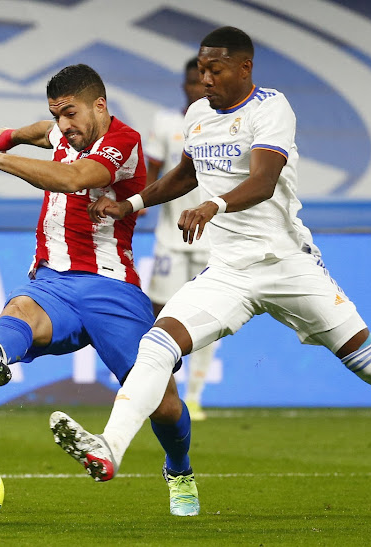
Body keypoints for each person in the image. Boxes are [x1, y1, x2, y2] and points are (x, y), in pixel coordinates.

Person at [49, 28, 371, 499]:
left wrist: (213, 207)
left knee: (370, 363)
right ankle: (110, 448)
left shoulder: (272, 108)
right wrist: (132, 204)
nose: (204, 79)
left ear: (244, 68)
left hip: (287, 265)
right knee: (158, 344)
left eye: (215, 70)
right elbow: (185, 175)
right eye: (201, 69)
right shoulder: (199, 115)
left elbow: (264, 180)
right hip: (228, 272)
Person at [0, 64, 199, 517]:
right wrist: (11, 135)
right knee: (21, 307)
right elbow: (43, 132)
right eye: (58, 116)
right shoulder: (66, 133)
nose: (63, 127)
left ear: (100, 106)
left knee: (164, 404)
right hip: (55, 281)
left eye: (70, 114)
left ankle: (180, 469)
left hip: (113, 289)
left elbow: (73, 179)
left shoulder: (123, 142)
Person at [144, 56, 216, 421]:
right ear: (184, 85)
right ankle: (160, 387)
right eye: (192, 80)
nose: (197, 86)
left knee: (208, 318)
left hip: (213, 242)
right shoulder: (167, 122)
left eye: (202, 80)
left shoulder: (224, 126)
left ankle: (196, 395)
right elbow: (154, 170)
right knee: (159, 313)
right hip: (171, 239)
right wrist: (137, 201)